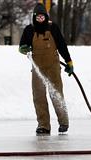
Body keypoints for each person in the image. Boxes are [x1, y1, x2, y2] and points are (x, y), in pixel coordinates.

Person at [19, 3, 74, 136]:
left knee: (56, 95)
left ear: (46, 17)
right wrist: (24, 48)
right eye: (38, 17)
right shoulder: (29, 30)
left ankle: (63, 122)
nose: (40, 19)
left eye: (42, 17)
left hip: (53, 68)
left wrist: (69, 62)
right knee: (39, 97)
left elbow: (61, 45)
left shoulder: (53, 28)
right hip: (37, 69)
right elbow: (22, 47)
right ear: (34, 17)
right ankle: (43, 125)